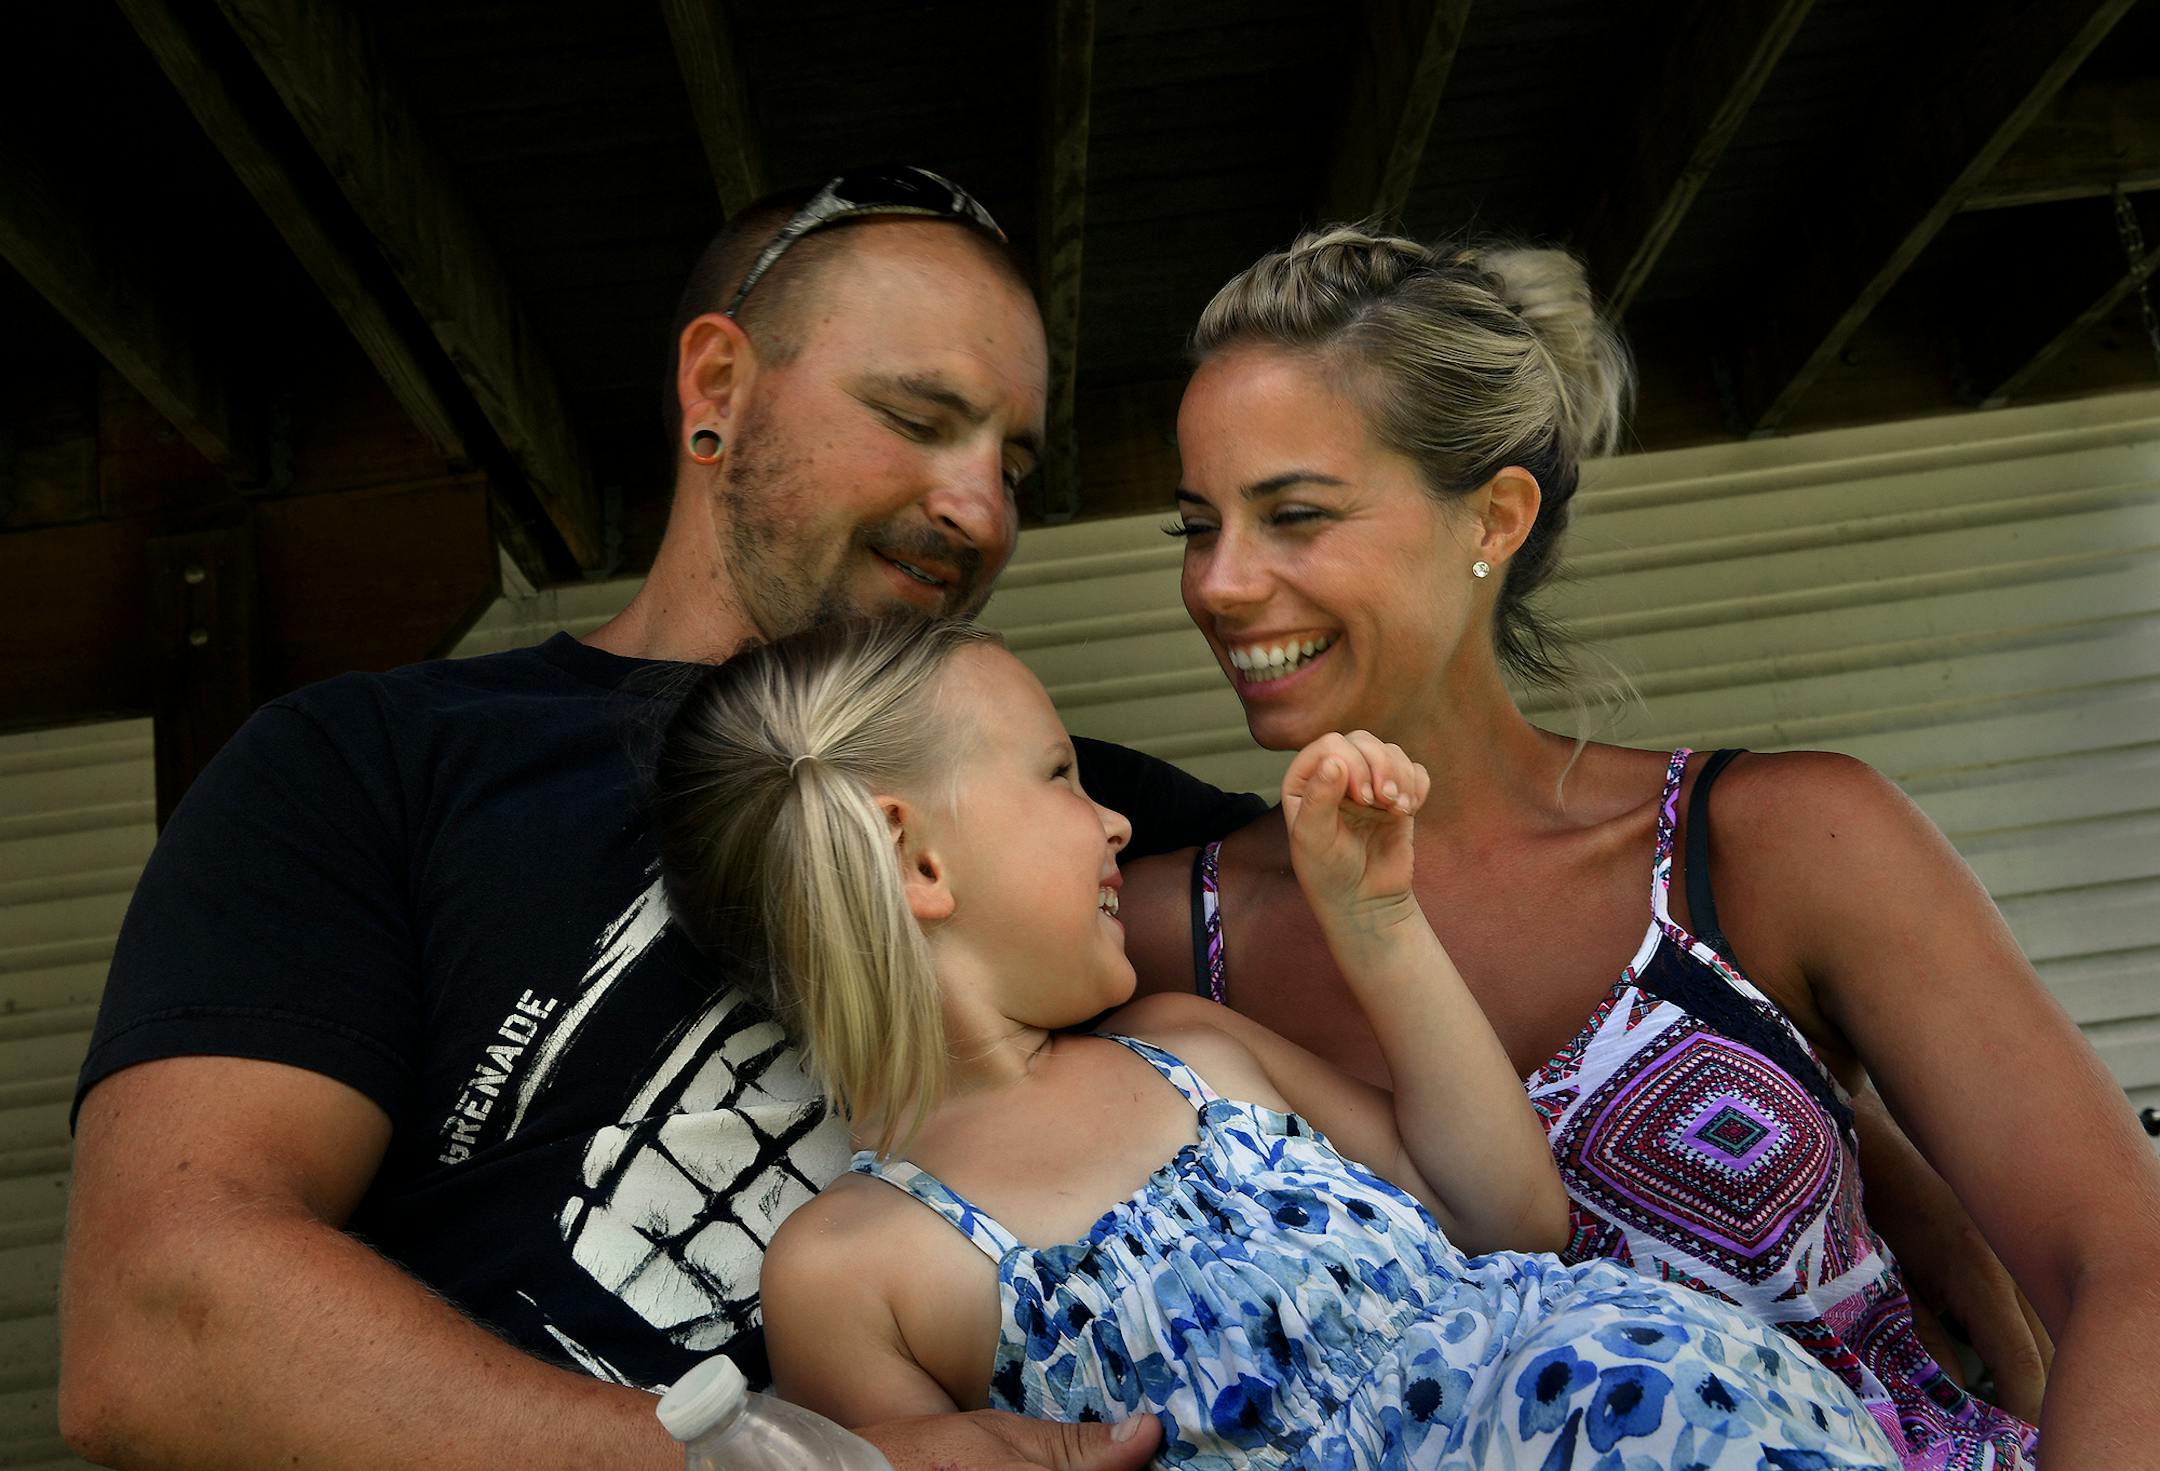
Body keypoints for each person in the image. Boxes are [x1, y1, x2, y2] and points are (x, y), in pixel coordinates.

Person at [58, 167, 1263, 1471]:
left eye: (1012, 466)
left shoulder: (1061, 797)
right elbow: (158, 1314)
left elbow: (1396, 896)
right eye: (917, 417)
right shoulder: (370, 762)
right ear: (718, 387)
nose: (981, 511)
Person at [1114, 224, 2160, 1469]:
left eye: (1293, 514)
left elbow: (2128, 1265)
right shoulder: (1149, 943)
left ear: (1494, 516)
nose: (1219, 584)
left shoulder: (1781, 842)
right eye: (1196, 527)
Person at [652, 612, 1898, 1470]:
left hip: (1683, 1411)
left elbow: (1513, 1216)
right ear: (917, 857)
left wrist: (1379, 922)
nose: (1113, 820)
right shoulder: (848, 1269)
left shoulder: (1184, 1047)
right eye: (1059, 774)